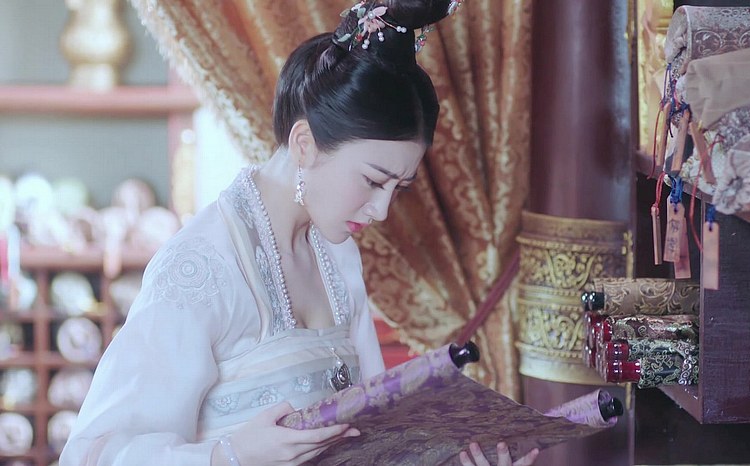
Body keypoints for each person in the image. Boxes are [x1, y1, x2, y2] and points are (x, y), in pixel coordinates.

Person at [60, 1, 540, 465]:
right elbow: (91, 453)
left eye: (399, 188)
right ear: (304, 143)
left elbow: (371, 438)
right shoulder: (202, 268)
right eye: (373, 180)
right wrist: (230, 456)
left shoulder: (337, 253)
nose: (381, 210)